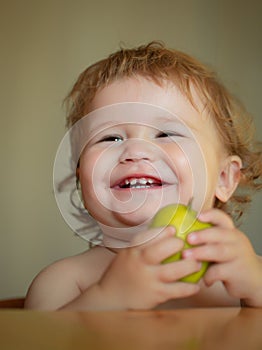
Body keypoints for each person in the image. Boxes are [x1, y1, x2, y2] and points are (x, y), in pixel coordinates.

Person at [25, 42, 262, 310]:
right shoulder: (65, 283)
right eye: (110, 137)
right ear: (81, 176)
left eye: (165, 134)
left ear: (223, 178)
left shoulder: (245, 274)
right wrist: (108, 297)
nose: (135, 150)